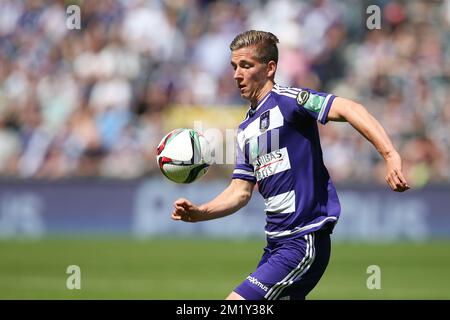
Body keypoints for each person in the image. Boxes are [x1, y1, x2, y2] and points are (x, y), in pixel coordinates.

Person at [171, 30, 410, 300]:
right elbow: (240, 191)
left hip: (302, 240)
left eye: (246, 66)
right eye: (234, 66)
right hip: (275, 245)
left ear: (270, 68)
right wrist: (201, 212)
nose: (237, 74)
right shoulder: (245, 129)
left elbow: (349, 109)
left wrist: (389, 155)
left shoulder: (290, 102)